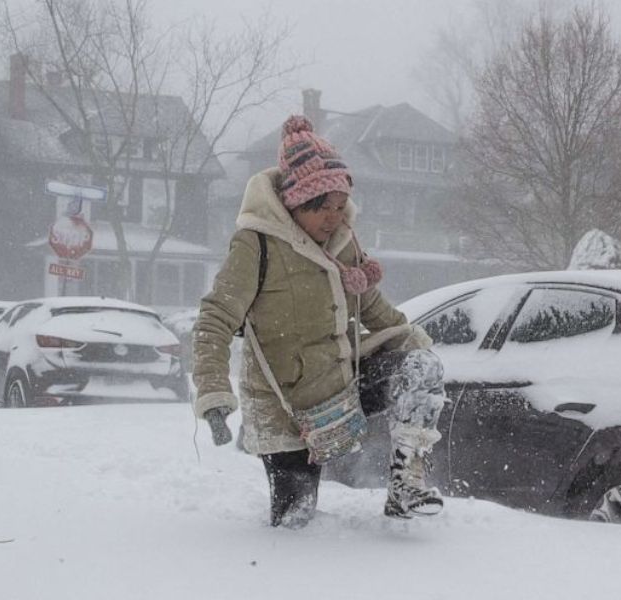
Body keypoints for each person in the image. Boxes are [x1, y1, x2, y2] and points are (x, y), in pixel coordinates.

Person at [192, 115, 448, 528]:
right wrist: (214, 393)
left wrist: (420, 345)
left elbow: (376, 310)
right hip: (285, 406)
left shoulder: (343, 245)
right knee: (296, 523)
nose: (334, 218)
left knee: (421, 365)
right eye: (322, 208)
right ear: (296, 202)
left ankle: (407, 485)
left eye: (339, 206)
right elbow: (215, 318)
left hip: (342, 385)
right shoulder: (256, 243)